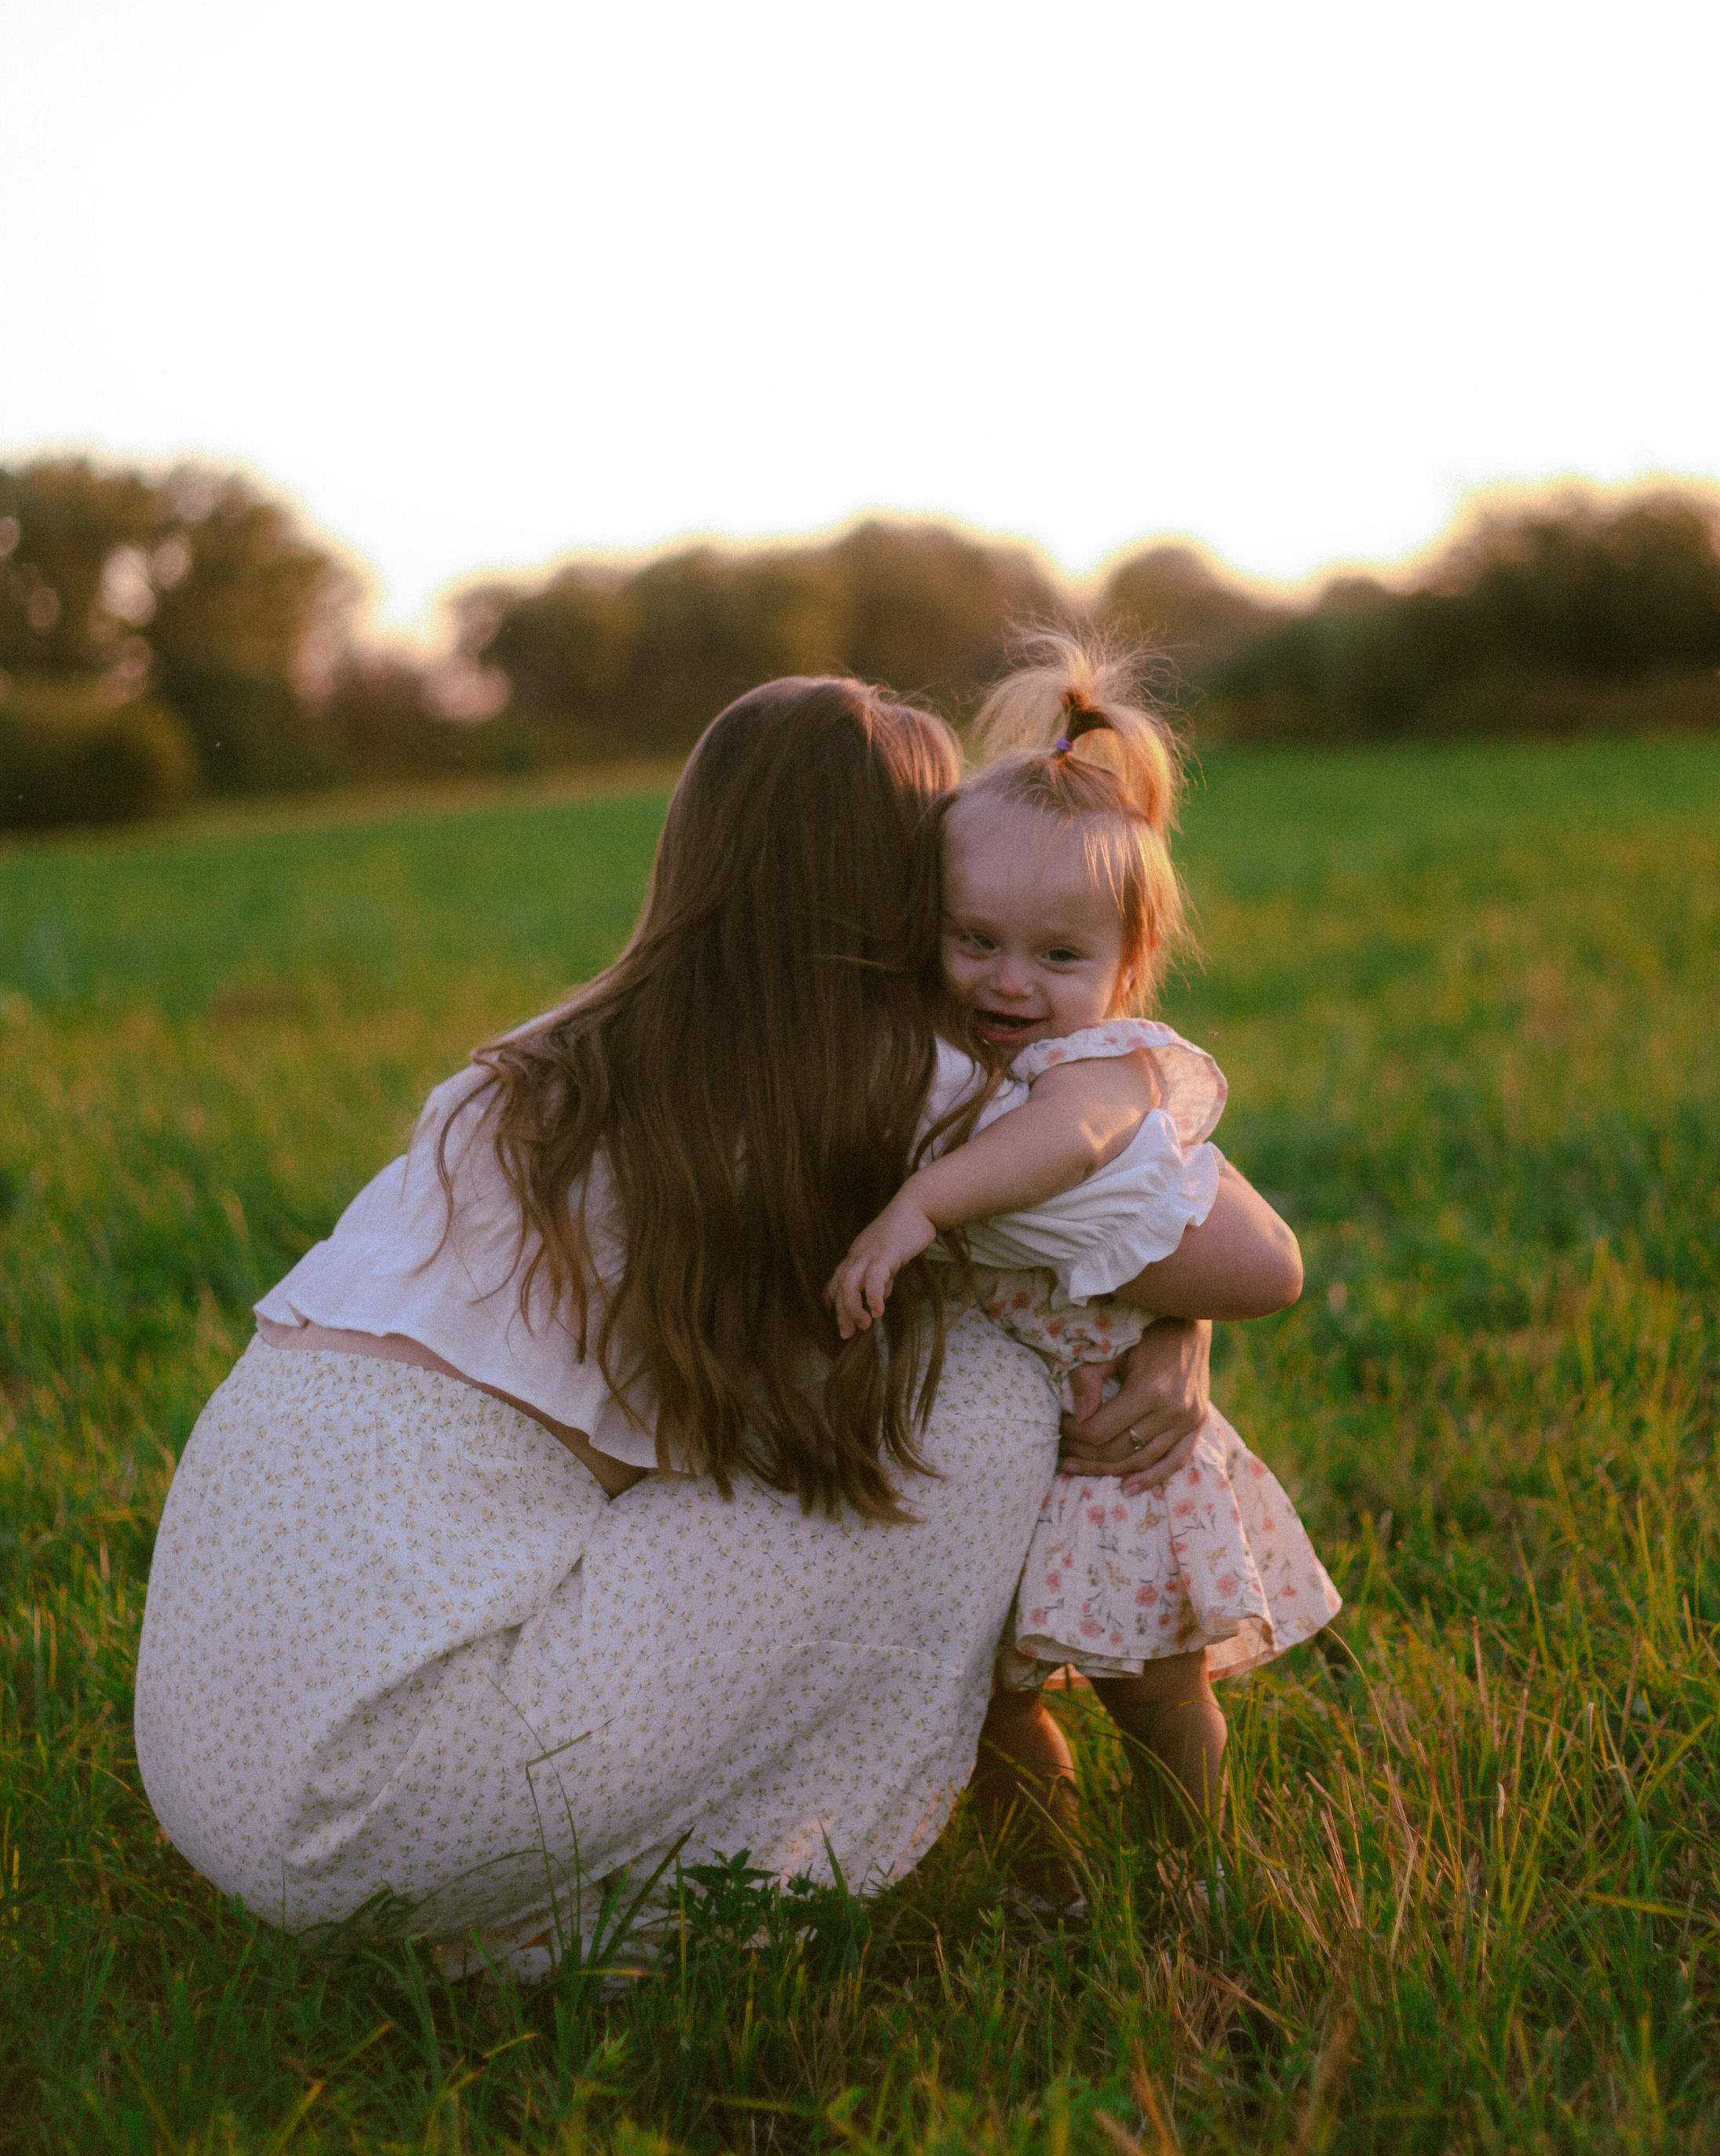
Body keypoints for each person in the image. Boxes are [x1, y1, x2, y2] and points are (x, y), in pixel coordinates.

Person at [133, 675, 1300, 1973]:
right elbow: (1246, 1252)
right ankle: (696, 1880)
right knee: (975, 1386)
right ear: (902, 887)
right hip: (391, 1791)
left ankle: (492, 1891)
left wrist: (1165, 1315)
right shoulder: (890, 1095)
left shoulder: (534, 1060)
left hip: (220, 1767)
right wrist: (1171, 1319)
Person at [829, 638, 1338, 1848]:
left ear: (1127, 972)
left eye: (1059, 958)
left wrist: (923, 1207)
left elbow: (1070, 1144)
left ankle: (1190, 1870)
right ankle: (1050, 1886)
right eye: (976, 942)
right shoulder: (933, 1059)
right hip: (992, 1464)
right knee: (991, 1704)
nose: (1010, 984)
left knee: (1155, 1694)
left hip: (1116, 1459)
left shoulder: (1100, 1067)